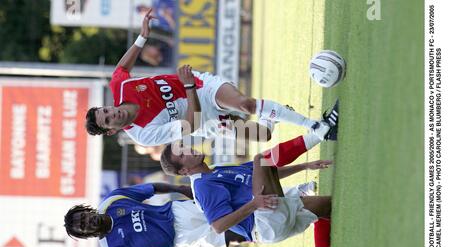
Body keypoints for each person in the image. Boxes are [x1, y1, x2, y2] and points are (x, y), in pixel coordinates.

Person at [85, 9, 338, 147]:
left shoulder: (121, 88)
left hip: (200, 86)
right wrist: (187, 88)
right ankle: (274, 114)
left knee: (245, 104)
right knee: (262, 135)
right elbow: (190, 126)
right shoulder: (143, 135)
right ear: (110, 131)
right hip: (200, 117)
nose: (112, 113)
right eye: (107, 120)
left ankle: (315, 126)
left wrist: (142, 37)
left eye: (106, 110)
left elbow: (121, 70)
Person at [159, 131, 334, 245]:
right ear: (183, 170)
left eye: (184, 146)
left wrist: (305, 166)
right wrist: (254, 204)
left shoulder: (215, 170)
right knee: (261, 158)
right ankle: (321, 131)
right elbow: (218, 226)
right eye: (182, 154)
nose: (189, 150)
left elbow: (267, 173)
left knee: (329, 206)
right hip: (263, 223)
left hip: (271, 216)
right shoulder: (203, 186)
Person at [63, 182, 245, 247]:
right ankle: (259, 231)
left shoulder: (113, 200)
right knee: (236, 237)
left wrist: (180, 188)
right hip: (181, 242)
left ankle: (261, 200)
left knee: (227, 207)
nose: (87, 222)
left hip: (178, 211)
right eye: (83, 226)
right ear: (87, 234)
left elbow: (151, 188)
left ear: (87, 211)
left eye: (83, 217)